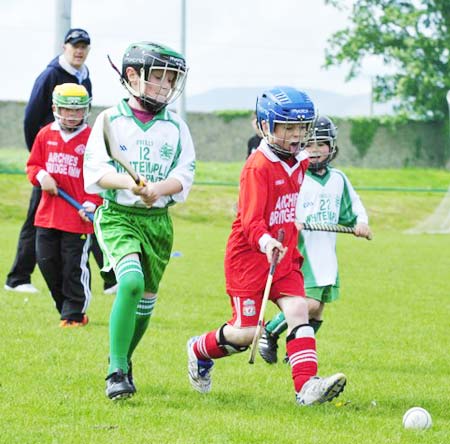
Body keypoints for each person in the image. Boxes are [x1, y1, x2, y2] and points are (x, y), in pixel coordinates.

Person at [187, 87, 347, 406]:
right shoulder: (257, 167)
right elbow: (249, 220)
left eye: (301, 128)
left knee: (300, 309)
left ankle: (306, 388)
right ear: (265, 126)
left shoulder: (299, 160)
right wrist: (266, 240)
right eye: (287, 127)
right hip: (249, 259)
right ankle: (198, 350)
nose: (295, 135)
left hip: (285, 257)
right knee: (246, 335)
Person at [84, 41, 195, 400]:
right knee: (129, 283)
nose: (164, 86)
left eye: (170, 80)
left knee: (146, 300)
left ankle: (125, 362)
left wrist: (157, 188)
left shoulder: (176, 127)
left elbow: (185, 174)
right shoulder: (109, 120)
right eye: (157, 78)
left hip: (158, 223)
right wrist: (129, 183)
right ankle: (115, 369)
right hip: (118, 216)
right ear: (132, 76)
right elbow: (98, 172)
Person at [258, 115, 372, 364]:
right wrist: (290, 222)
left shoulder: (338, 179)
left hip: (326, 252)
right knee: (308, 303)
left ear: (332, 146)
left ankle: (294, 351)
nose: (316, 150)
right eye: (309, 144)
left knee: (318, 311)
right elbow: (277, 207)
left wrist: (361, 223)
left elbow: (352, 208)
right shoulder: (296, 176)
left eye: (321, 144)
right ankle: (269, 332)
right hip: (301, 252)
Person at [5, 28, 92, 294]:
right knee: (37, 222)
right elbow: (32, 117)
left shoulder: (84, 77)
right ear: (64, 47)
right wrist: (42, 165)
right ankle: (18, 278)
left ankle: (108, 279)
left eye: (84, 46)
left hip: (72, 166)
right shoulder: (50, 75)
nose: (79, 50)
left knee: (85, 217)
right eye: (74, 45)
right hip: (48, 164)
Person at [26, 83, 100, 327]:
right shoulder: (46, 134)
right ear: (56, 108)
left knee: (73, 268)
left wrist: (92, 203)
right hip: (47, 215)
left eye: (78, 110)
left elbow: (103, 178)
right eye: (67, 110)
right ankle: (66, 309)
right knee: (47, 263)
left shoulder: (93, 139)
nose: (72, 115)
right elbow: (33, 166)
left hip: (78, 218)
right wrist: (42, 177)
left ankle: (74, 314)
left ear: (86, 110)